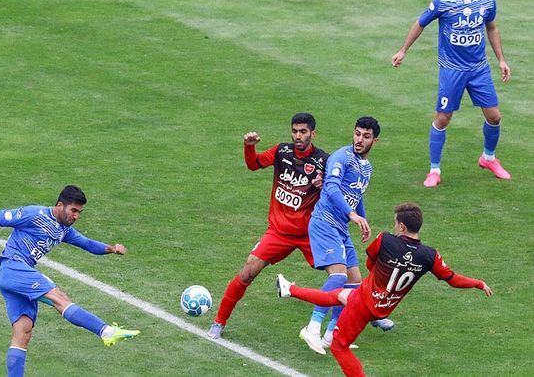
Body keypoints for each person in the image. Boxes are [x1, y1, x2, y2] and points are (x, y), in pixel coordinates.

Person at [276, 202, 493, 377]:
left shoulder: (385, 240)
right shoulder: (429, 255)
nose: (394, 226)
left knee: (339, 347)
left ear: (402, 226)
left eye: (395, 223)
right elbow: (453, 279)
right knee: (337, 296)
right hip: (383, 307)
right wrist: (479, 283)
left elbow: (370, 263)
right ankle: (289, 289)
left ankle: (293, 294)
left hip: (365, 302)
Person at [0, 185, 139, 377]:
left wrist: (112, 249)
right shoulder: (35, 214)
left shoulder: (64, 230)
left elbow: (87, 244)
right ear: (60, 205)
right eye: (73, 210)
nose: (76, 216)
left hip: (14, 277)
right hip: (14, 268)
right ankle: (105, 331)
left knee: (23, 331)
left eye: (79, 212)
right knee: (59, 297)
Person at [206, 113, 328, 340]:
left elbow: (336, 193)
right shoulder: (282, 151)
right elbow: (253, 164)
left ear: (313, 133)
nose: (298, 136)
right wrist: (249, 146)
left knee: (341, 274)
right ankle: (218, 322)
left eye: (303, 132)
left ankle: (368, 311)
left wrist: (324, 186)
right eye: (294, 131)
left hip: (310, 234)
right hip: (279, 232)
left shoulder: (324, 161)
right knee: (247, 271)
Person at [391, 0, 512, 187]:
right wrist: (403, 50)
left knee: (494, 117)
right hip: (452, 70)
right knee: (443, 118)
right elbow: (420, 23)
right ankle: (434, 171)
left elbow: (492, 28)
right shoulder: (443, 2)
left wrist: (501, 60)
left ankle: (488, 158)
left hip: (479, 70)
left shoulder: (487, 1)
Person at [300, 117, 393, 355]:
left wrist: (363, 219)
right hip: (324, 222)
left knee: (354, 283)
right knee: (339, 276)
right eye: (357, 134)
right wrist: (352, 215)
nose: (359, 140)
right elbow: (331, 187)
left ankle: (332, 334)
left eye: (366, 136)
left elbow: (356, 194)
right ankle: (312, 328)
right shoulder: (341, 157)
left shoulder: (367, 167)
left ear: (375, 140)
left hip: (340, 228)